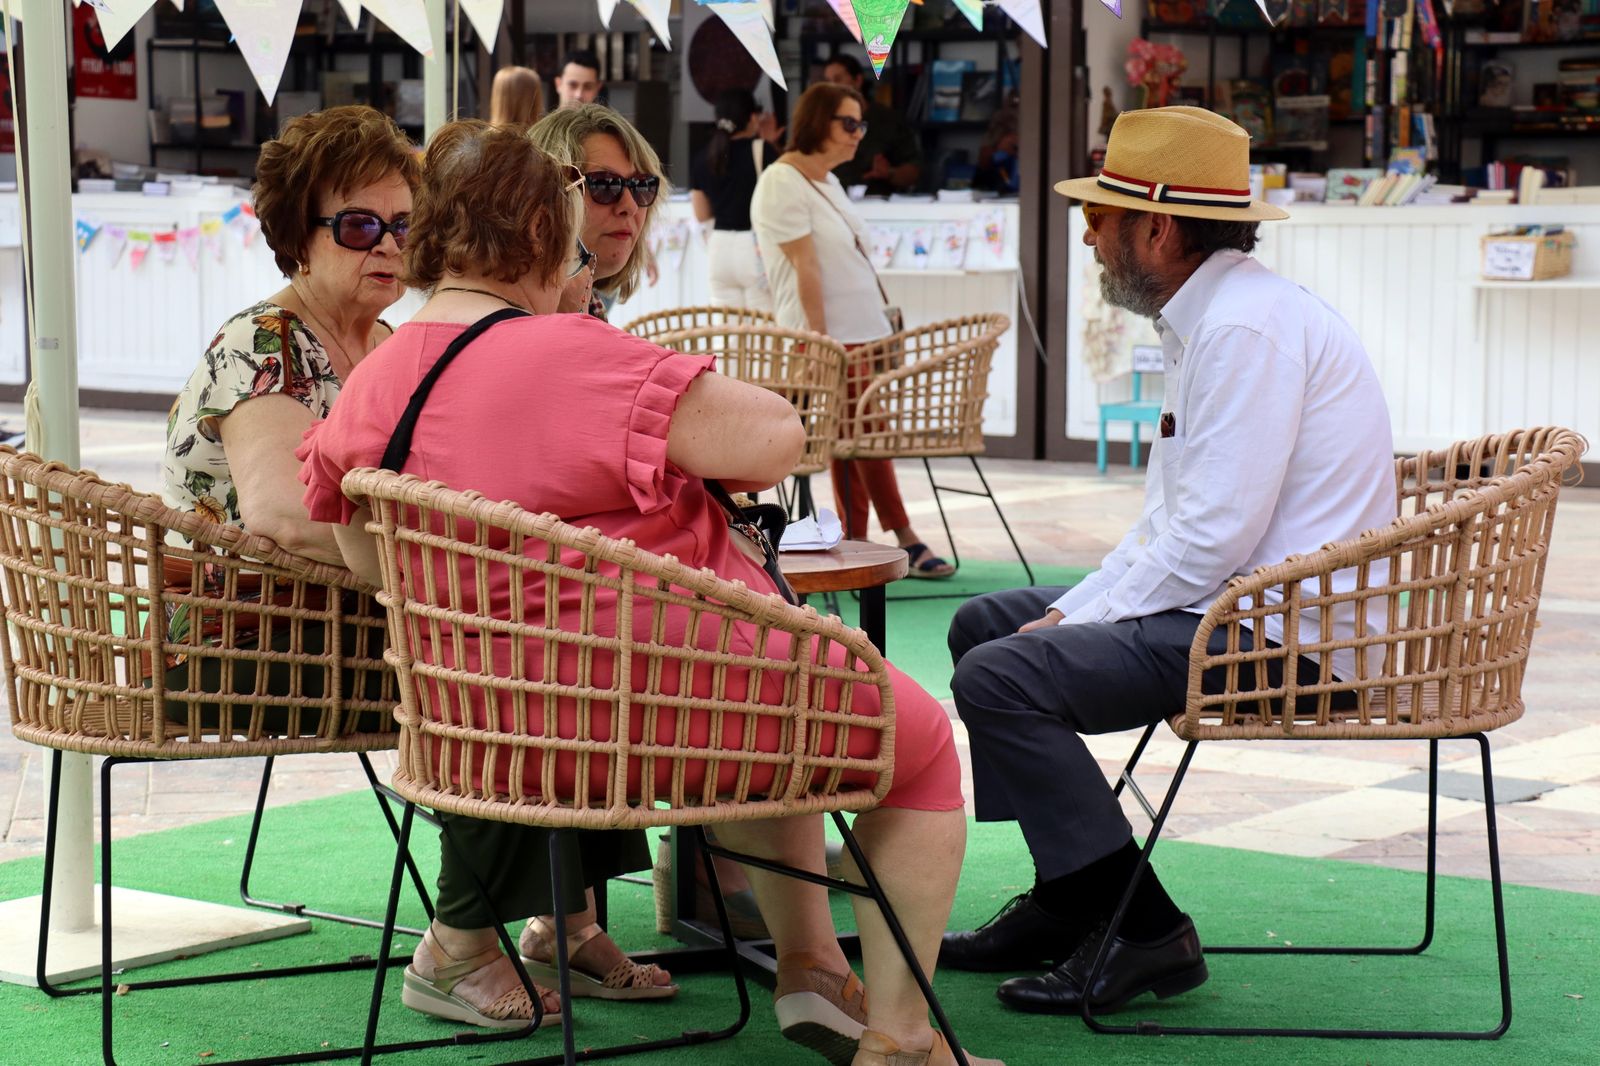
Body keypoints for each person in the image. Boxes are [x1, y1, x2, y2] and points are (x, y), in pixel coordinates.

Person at [296, 118, 1004, 1066]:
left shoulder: (373, 381)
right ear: (543, 234)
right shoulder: (573, 350)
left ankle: (812, 967)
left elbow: (367, 559)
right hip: (657, 719)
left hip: (486, 740)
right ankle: (902, 1037)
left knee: (793, 686)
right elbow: (775, 440)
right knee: (911, 745)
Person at [163, 106, 672, 1034]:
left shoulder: (399, 344)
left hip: (368, 617)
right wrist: (459, 565)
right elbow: (280, 518)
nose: (389, 245)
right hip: (253, 636)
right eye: (359, 225)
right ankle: (458, 946)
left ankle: (564, 919)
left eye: (405, 223)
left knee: (576, 633)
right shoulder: (263, 344)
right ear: (297, 234)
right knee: (506, 658)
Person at [938, 107, 1396, 1015]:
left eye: (1098, 215)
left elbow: (1209, 538)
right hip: (1237, 607)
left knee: (999, 673)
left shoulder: (1243, 329)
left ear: (1157, 228)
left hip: (1284, 638)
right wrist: (1074, 611)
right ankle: (1071, 897)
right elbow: (1169, 530)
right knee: (984, 624)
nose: (1087, 234)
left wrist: (1072, 618)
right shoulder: (1219, 316)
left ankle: (1143, 927)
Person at [750, 82, 954, 578]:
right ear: (817, 122)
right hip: (826, 338)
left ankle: (861, 543)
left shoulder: (828, 182)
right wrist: (821, 342)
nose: (858, 133)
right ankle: (892, 537)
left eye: (861, 123)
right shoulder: (782, 180)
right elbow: (805, 268)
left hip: (861, 334)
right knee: (859, 440)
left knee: (860, 440)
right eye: (848, 122)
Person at [528, 104, 663, 320]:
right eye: (605, 185)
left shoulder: (591, 304)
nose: (630, 206)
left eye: (641, 186)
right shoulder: (512, 318)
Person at [690, 88, 784, 310]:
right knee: (763, 325)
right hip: (754, 247)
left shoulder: (703, 157)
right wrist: (772, 142)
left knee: (726, 326)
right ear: (753, 118)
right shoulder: (763, 150)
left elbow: (701, 214)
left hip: (719, 248)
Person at [820, 53, 921, 196]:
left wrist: (889, 173)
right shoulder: (820, 120)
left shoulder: (888, 120)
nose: (832, 87)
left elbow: (914, 171)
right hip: (829, 200)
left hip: (876, 202)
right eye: (827, 81)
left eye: (838, 79)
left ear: (858, 80)